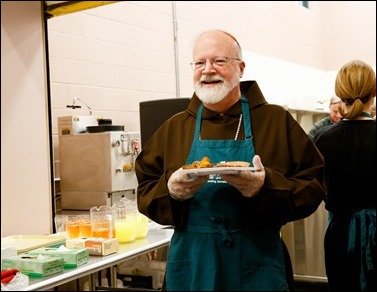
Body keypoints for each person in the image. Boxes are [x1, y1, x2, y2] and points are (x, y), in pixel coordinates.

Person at [135, 29, 326, 291]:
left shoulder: (275, 121)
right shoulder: (174, 127)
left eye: (219, 61)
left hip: (256, 261)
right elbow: (145, 188)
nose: (207, 70)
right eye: (199, 63)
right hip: (194, 265)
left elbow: (313, 183)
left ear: (241, 68)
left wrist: (265, 187)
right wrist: (171, 191)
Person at [314, 59, 376, 291]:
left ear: (340, 94)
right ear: (374, 91)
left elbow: (318, 188)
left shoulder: (323, 137)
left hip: (339, 233)